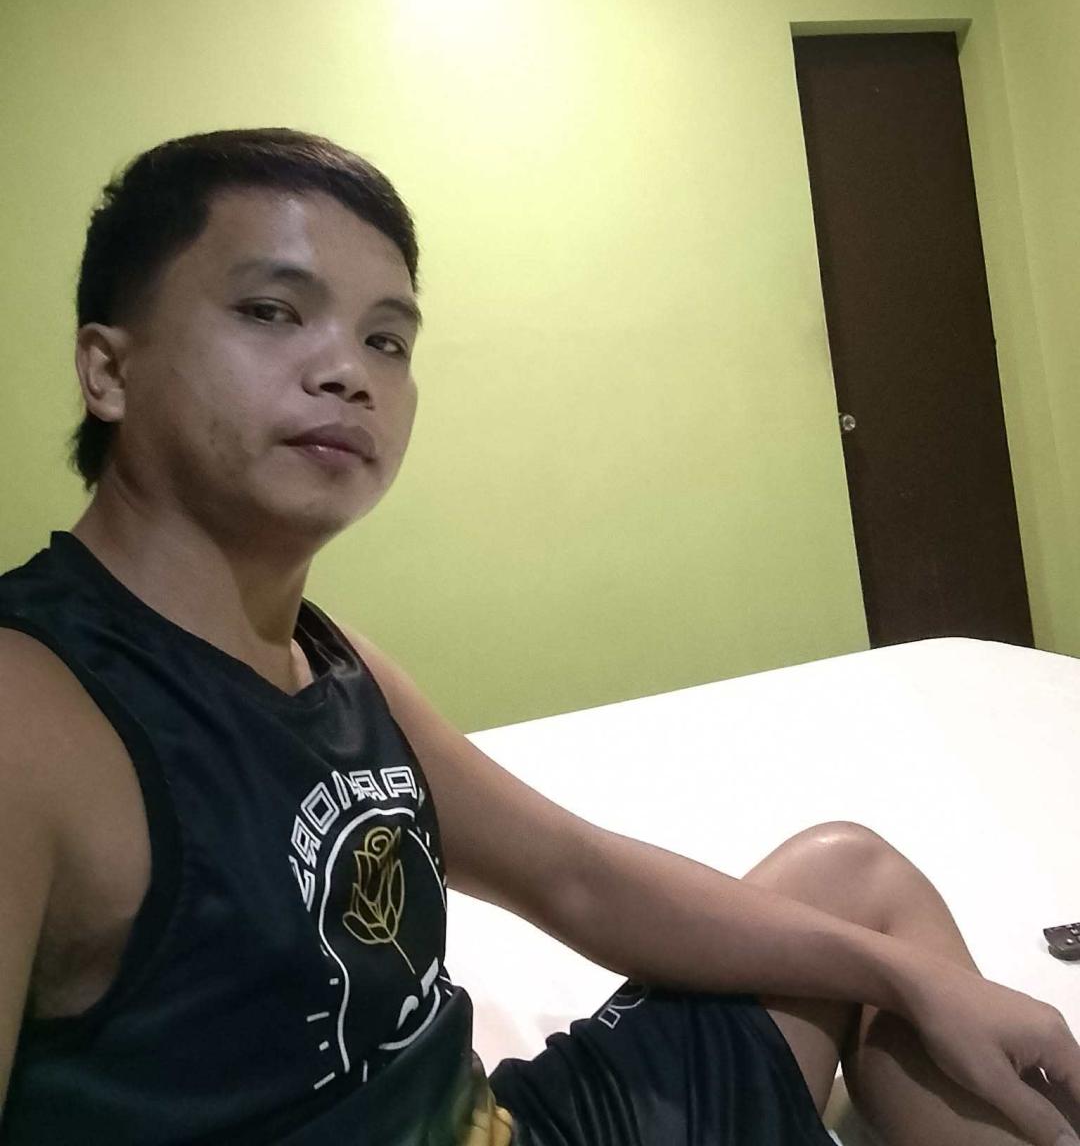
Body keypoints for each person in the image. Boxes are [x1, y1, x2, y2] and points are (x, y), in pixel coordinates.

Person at [0, 127, 1076, 1146]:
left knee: (857, 890)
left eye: (386, 338)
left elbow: (577, 877)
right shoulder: (34, 708)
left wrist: (903, 976)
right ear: (109, 371)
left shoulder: (326, 660)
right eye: (273, 311)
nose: (348, 371)